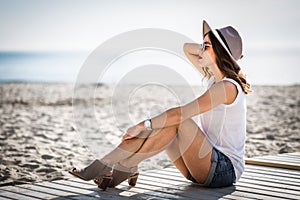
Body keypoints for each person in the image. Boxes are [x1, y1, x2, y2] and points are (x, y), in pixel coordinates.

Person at [69, 20, 251, 190]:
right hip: (199, 165)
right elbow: (187, 48)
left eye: (206, 47)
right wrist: (210, 46)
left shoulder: (227, 87)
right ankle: (125, 166)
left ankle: (109, 165)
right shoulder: (213, 80)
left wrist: (141, 126)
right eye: (202, 46)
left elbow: (181, 114)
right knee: (164, 121)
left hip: (223, 170)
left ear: (220, 53)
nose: (201, 50)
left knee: (178, 120)